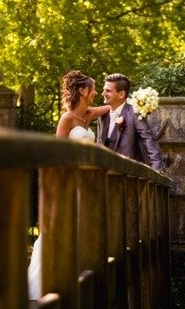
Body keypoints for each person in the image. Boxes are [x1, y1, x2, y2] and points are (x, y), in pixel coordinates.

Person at [28, 69, 110, 301]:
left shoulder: (88, 115)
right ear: (83, 91)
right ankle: (48, 280)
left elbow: (109, 108)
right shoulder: (68, 119)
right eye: (93, 89)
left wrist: (129, 104)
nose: (95, 93)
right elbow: (57, 155)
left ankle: (76, 276)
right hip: (69, 183)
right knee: (62, 227)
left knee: (82, 228)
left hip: (87, 185)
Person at [97, 73, 165, 172]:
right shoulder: (102, 116)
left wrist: (157, 168)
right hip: (105, 175)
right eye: (104, 90)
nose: (103, 93)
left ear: (121, 94)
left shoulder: (134, 113)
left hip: (129, 175)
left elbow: (148, 140)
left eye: (108, 91)